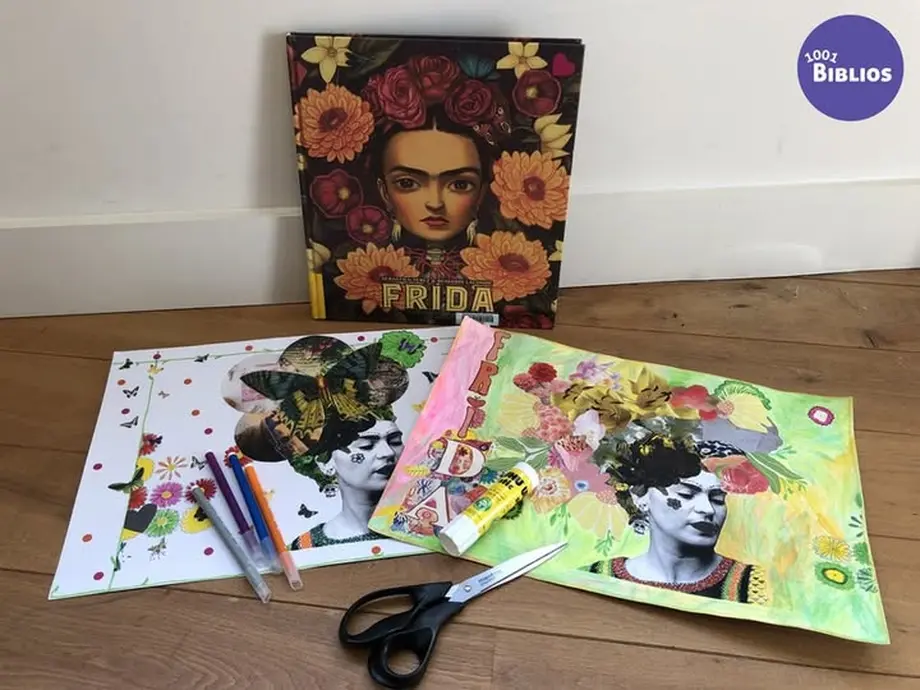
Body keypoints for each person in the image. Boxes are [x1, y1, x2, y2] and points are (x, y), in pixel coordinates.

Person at [228, 334, 411, 549]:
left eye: (395, 440)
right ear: (325, 464)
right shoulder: (306, 546)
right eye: (366, 445)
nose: (387, 453)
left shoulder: (428, 521)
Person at [584, 433, 770, 604]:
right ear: (640, 497)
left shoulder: (754, 586)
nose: (707, 509)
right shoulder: (595, 576)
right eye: (686, 494)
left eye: (717, 499)